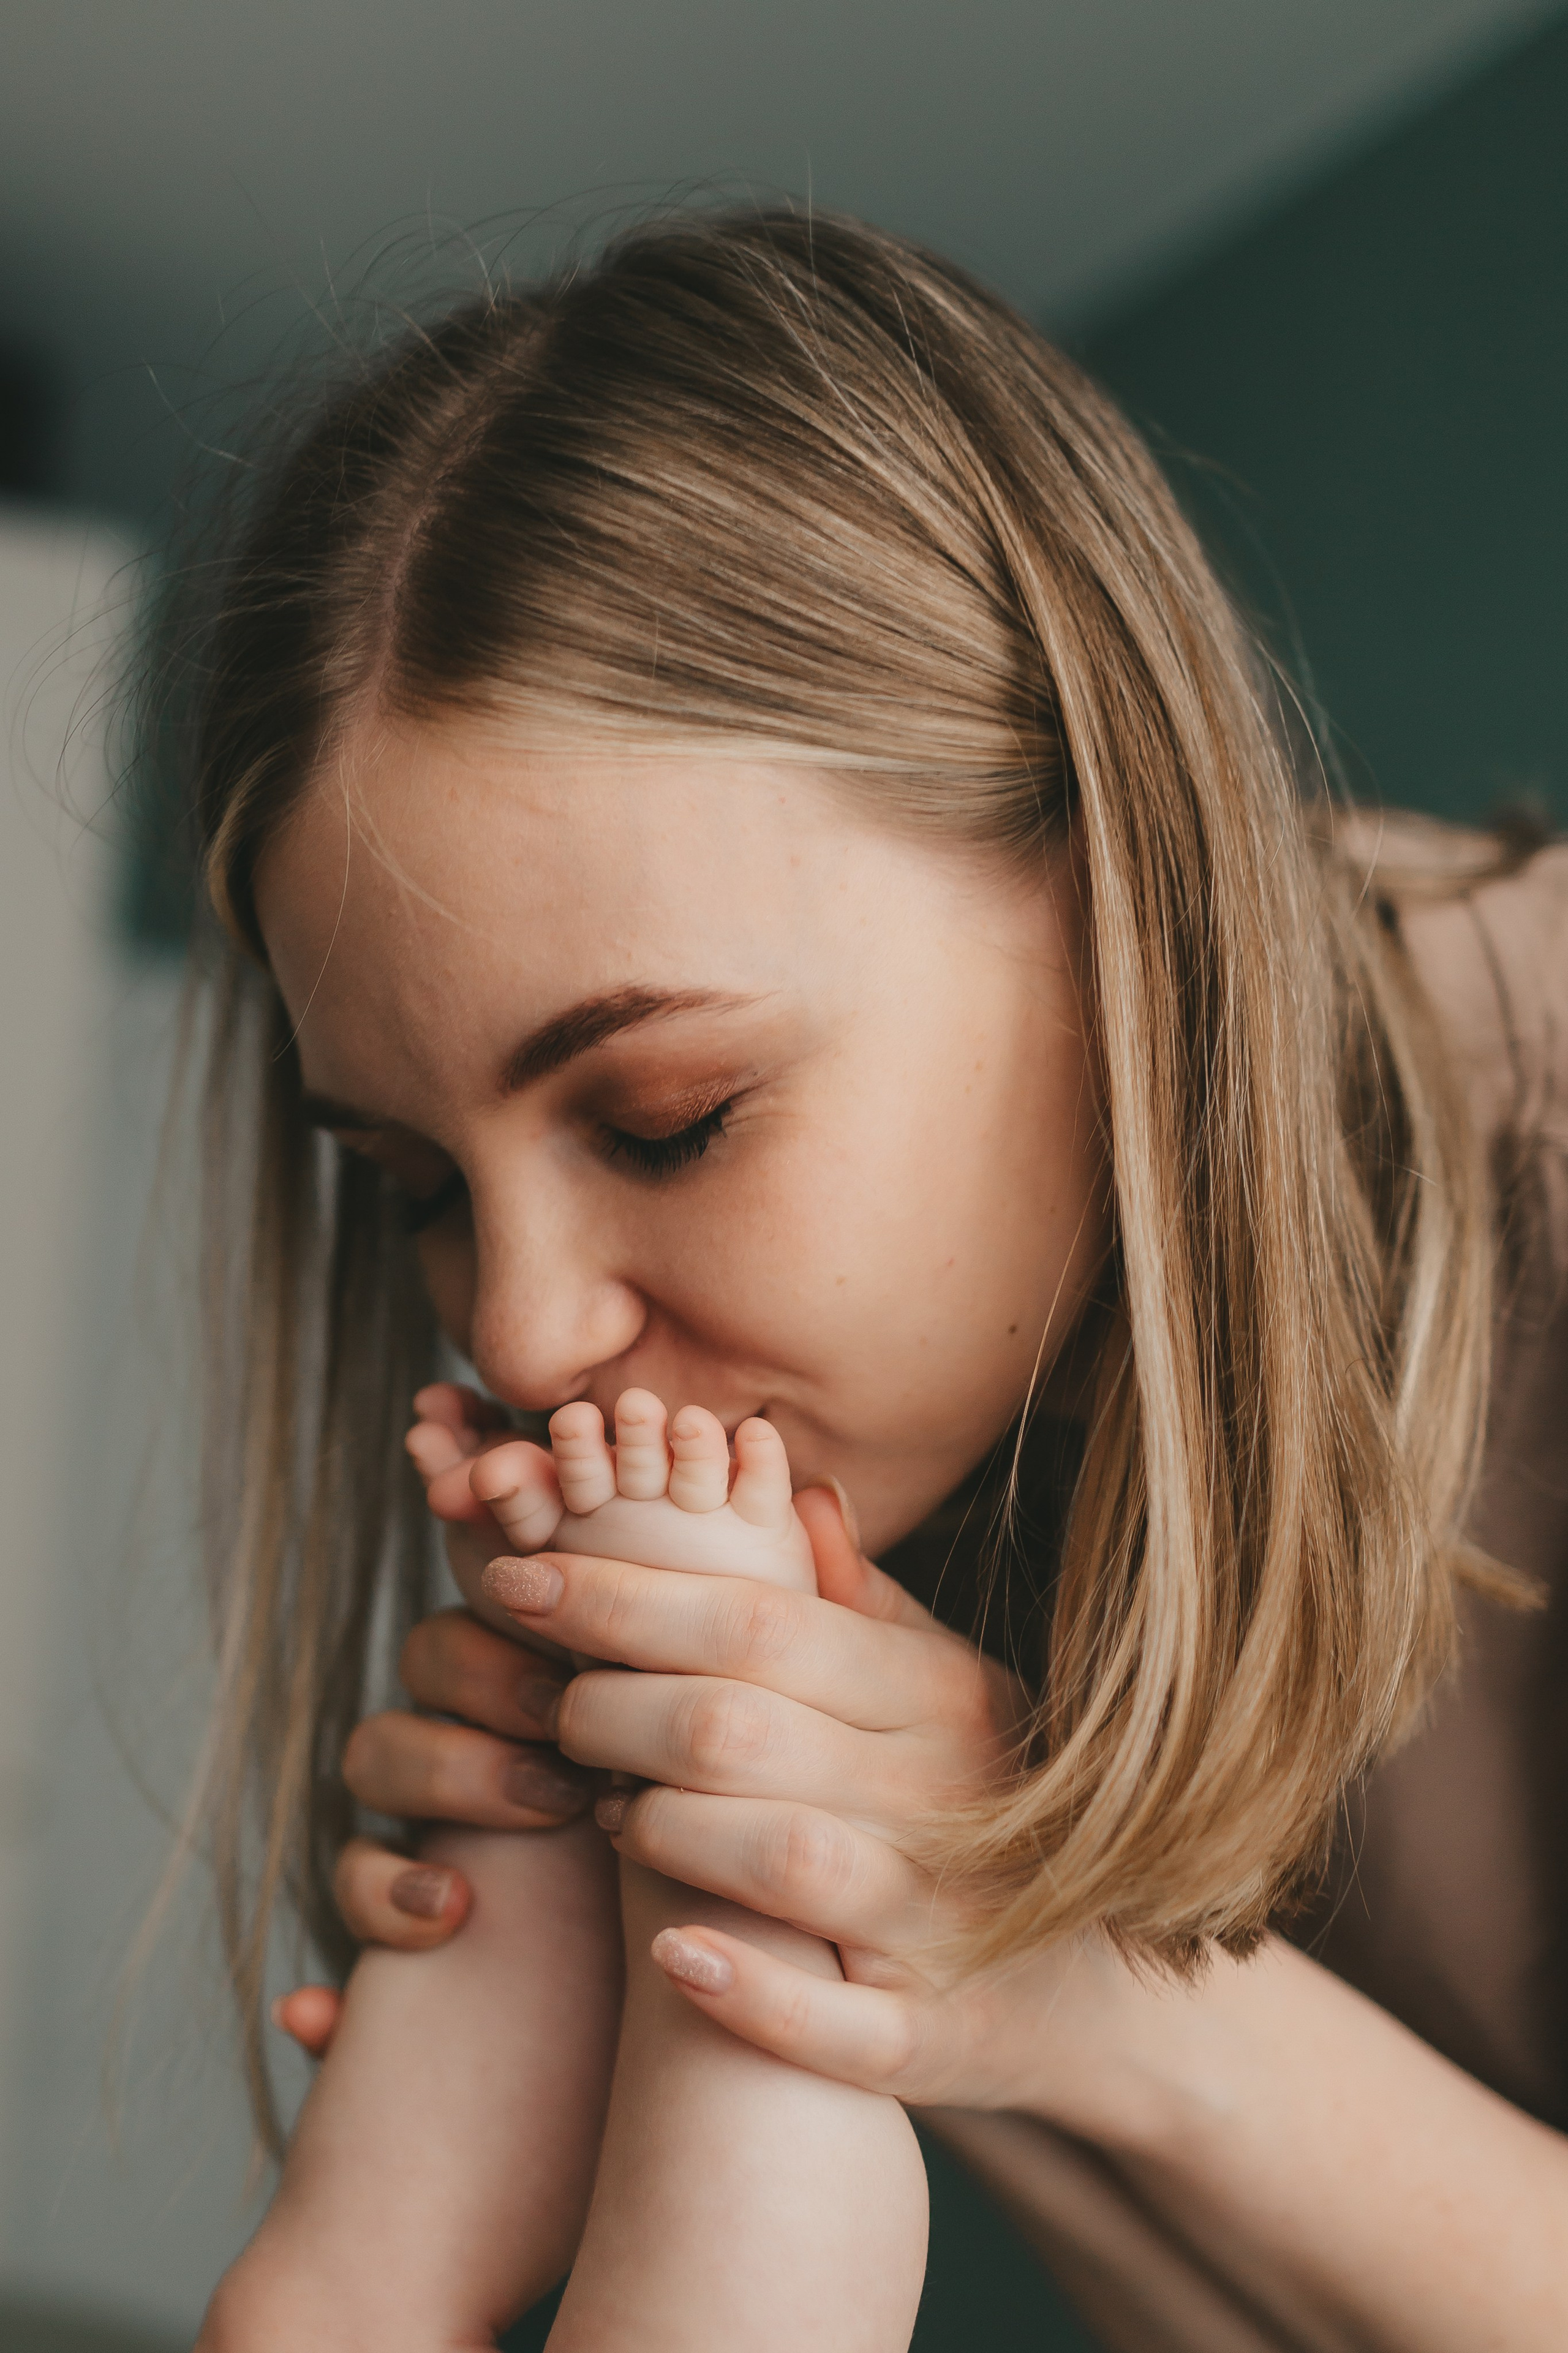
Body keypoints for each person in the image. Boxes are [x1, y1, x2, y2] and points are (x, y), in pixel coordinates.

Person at [161, 208, 1567, 2351]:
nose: (521, 1332)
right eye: (414, 1183)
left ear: (1117, 894)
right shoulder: (913, 1423)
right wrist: (483, 2121)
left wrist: (1079, 1972)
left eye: (672, 1119)